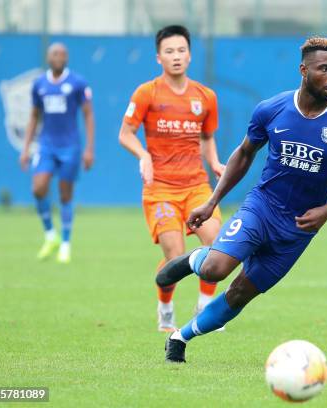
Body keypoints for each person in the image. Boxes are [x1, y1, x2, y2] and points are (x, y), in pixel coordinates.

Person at [157, 36, 327, 362]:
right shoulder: (272, 109)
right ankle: (193, 260)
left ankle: (180, 337)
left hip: (299, 228)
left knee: (241, 293)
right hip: (262, 207)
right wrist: (212, 202)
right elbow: (244, 154)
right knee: (215, 269)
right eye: (325, 69)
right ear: (303, 70)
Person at [118, 25, 225, 332]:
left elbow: (207, 137)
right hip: (160, 190)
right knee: (175, 255)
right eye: (169, 51)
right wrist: (144, 155)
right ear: (158, 57)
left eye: (181, 50)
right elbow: (125, 134)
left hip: (196, 186)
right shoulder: (146, 93)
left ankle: (206, 308)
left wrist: (215, 161)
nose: (176, 56)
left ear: (189, 55)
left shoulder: (205, 97)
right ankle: (165, 306)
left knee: (216, 246)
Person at [20, 42, 95, 264]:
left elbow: (88, 115)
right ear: (48, 57)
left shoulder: (77, 83)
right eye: (54, 53)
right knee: (38, 187)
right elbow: (34, 116)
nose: (58, 56)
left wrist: (89, 149)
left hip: (70, 146)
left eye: (62, 53)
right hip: (46, 145)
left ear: (67, 58)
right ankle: (50, 235)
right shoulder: (39, 84)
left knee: (65, 194)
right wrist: (26, 148)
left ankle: (65, 244)